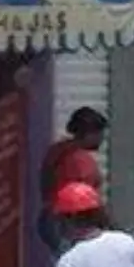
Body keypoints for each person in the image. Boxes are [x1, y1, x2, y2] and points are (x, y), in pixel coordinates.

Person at [38, 107, 107, 254]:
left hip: (49, 219)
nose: (102, 138)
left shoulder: (56, 151)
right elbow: (90, 204)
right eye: (100, 133)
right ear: (89, 133)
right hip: (69, 224)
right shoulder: (81, 161)